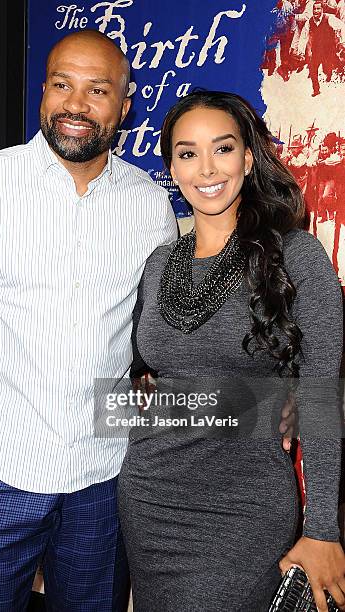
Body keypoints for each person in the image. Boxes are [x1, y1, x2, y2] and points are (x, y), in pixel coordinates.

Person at [0, 30, 178, 612]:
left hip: (104, 473)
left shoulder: (150, 204)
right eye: (61, 85)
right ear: (42, 92)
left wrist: (264, 401)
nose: (76, 105)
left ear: (125, 104)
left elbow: (155, 337)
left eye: (97, 90)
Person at [117, 90, 345, 612]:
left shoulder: (297, 256)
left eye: (222, 148)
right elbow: (150, 377)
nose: (206, 168)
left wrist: (324, 530)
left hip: (243, 507)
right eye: (187, 153)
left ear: (248, 156)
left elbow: (321, 396)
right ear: (171, 167)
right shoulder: (158, 263)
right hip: (149, 498)